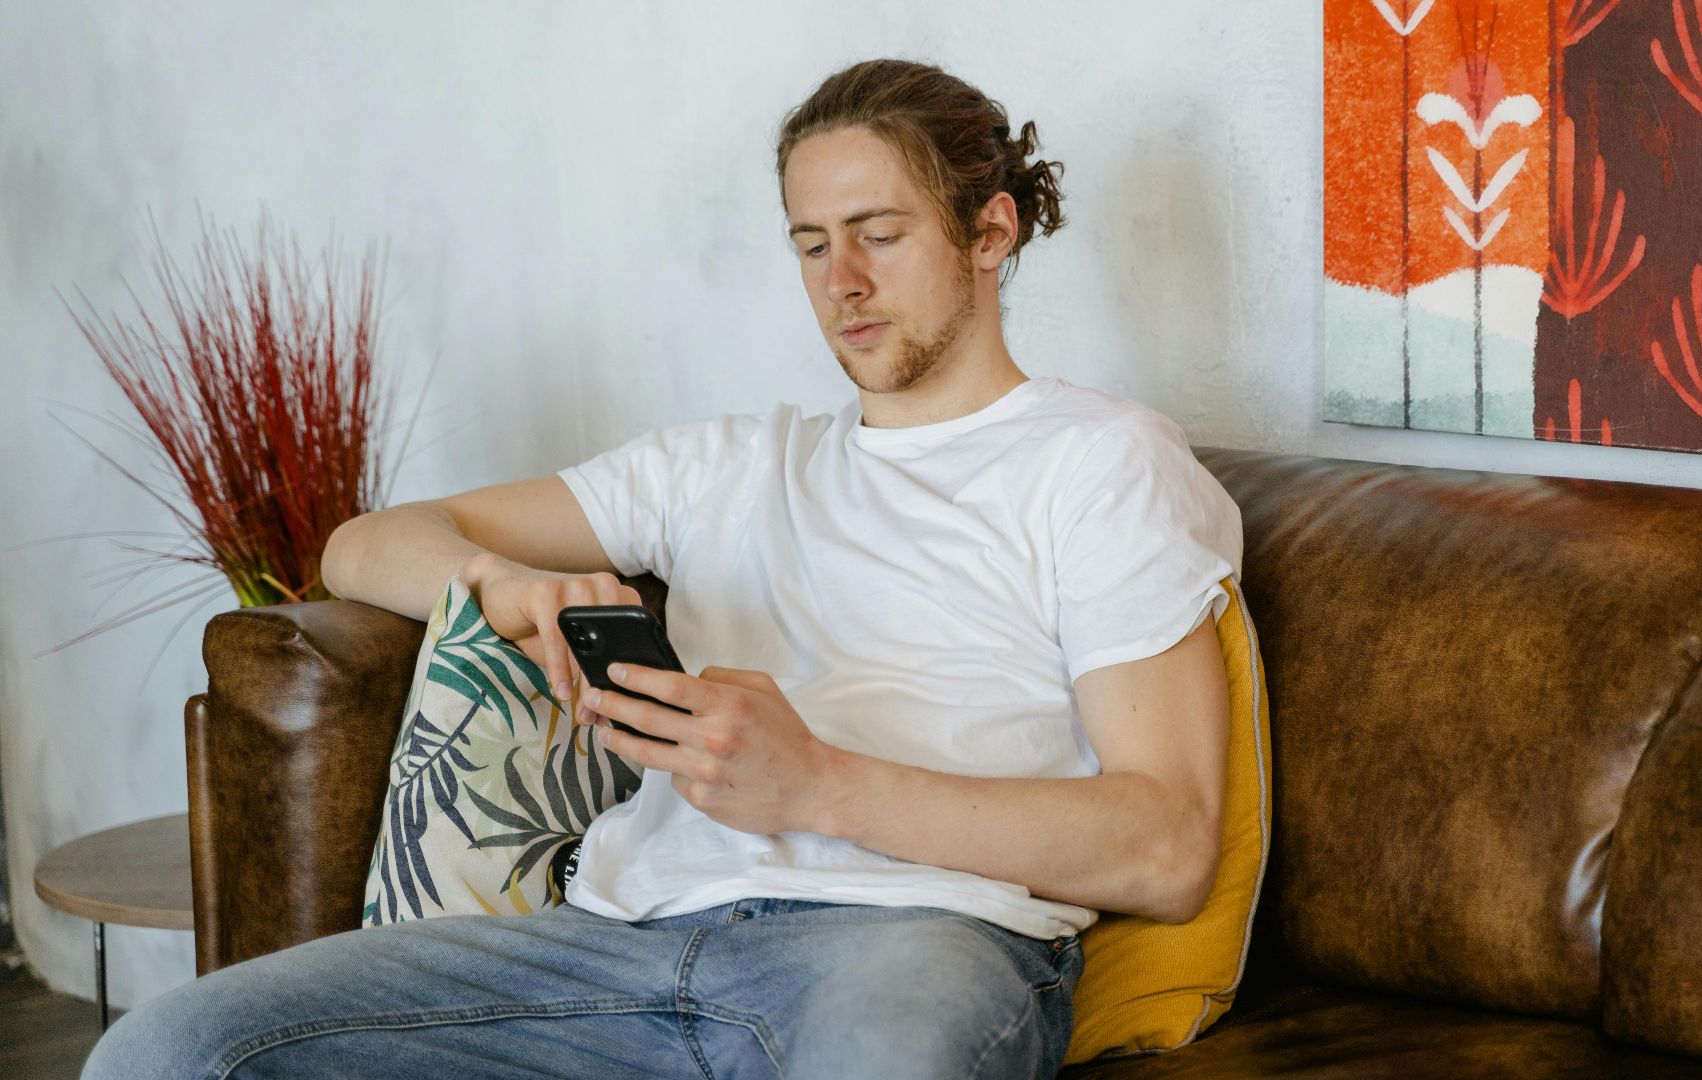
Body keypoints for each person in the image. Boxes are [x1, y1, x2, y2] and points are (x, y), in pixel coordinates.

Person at [84, 57, 1243, 1080]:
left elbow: (1165, 846)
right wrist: (500, 583)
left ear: (989, 234)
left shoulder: (1101, 463)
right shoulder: (726, 465)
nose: (839, 281)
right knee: (170, 1049)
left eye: (879, 234)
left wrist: (819, 785)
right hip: (614, 941)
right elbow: (358, 543)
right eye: (809, 242)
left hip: (908, 948)